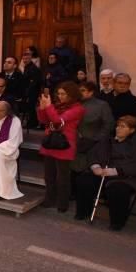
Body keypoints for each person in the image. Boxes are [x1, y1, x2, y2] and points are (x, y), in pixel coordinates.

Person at [74, 116, 136, 230]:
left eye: (123, 127)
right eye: (117, 126)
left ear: (132, 130)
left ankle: (117, 222)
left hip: (127, 177)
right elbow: (92, 154)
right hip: (104, 172)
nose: (118, 129)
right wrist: (95, 167)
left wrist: (116, 171)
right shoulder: (108, 140)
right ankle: (83, 211)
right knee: (84, 180)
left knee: (117, 190)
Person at [37, 81, 85, 212]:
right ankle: (49, 199)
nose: (60, 96)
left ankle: (62, 203)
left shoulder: (78, 108)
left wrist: (48, 107)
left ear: (72, 94)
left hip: (64, 145)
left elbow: (58, 122)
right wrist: (42, 108)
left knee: (62, 177)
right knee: (49, 175)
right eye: (58, 94)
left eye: (63, 94)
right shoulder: (57, 106)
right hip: (50, 142)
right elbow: (44, 121)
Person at [70, 81, 115, 188]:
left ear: (91, 92)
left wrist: (95, 140)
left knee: (89, 173)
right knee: (74, 169)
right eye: (78, 90)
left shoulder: (102, 105)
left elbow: (108, 124)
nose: (80, 93)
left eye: (83, 90)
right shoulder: (73, 104)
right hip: (75, 143)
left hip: (94, 144)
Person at [20, 51, 44, 128]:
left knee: (31, 107)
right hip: (28, 90)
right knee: (29, 107)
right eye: (23, 59)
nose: (25, 60)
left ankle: (32, 123)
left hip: (33, 91)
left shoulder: (33, 68)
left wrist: (27, 91)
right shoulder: (27, 67)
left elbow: (34, 82)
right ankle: (31, 123)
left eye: (27, 59)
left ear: (30, 59)